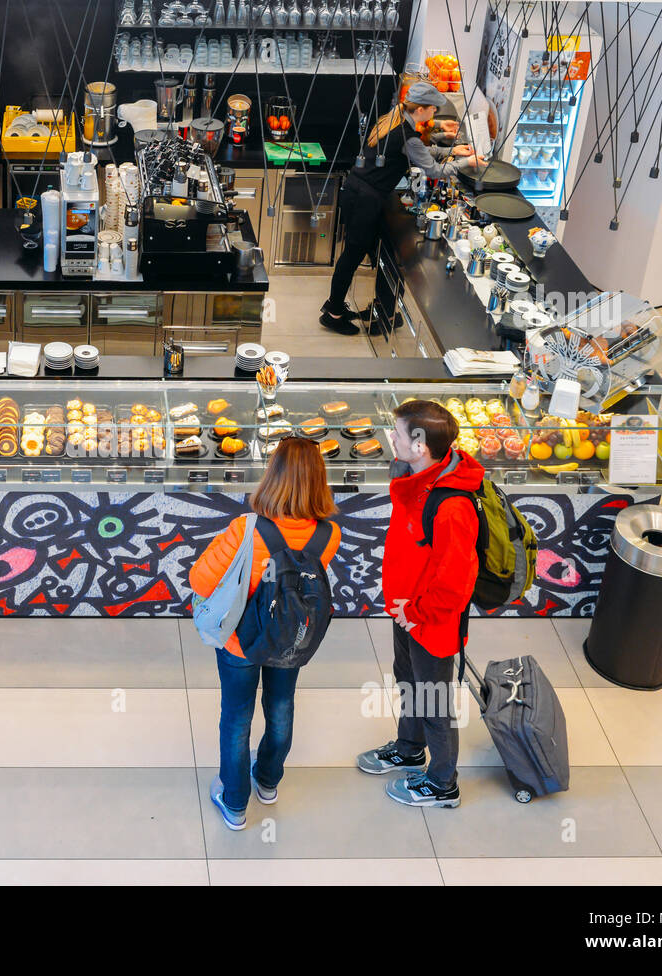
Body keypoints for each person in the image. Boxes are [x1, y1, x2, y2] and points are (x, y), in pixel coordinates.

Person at [189, 437, 342, 830]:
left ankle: (235, 801)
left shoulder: (247, 529)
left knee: (237, 716)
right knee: (280, 707)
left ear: (272, 477)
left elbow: (200, 580)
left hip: (242, 641)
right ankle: (269, 782)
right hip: (290, 638)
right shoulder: (329, 535)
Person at [357, 399, 482, 808]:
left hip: (430, 619)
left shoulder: (452, 508)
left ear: (421, 446)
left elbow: (454, 582)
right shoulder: (418, 476)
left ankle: (444, 782)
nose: (390, 437)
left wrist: (416, 612)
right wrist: (403, 609)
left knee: (433, 700)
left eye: (397, 433)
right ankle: (411, 747)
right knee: (408, 680)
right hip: (406, 610)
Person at [320, 81, 482, 336]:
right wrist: (466, 161)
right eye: (433, 110)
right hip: (365, 200)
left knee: (364, 254)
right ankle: (334, 314)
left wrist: (449, 147)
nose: (435, 115)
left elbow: (416, 150)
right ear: (423, 109)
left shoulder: (391, 119)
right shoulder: (407, 135)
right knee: (351, 257)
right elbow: (433, 169)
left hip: (355, 192)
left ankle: (373, 309)